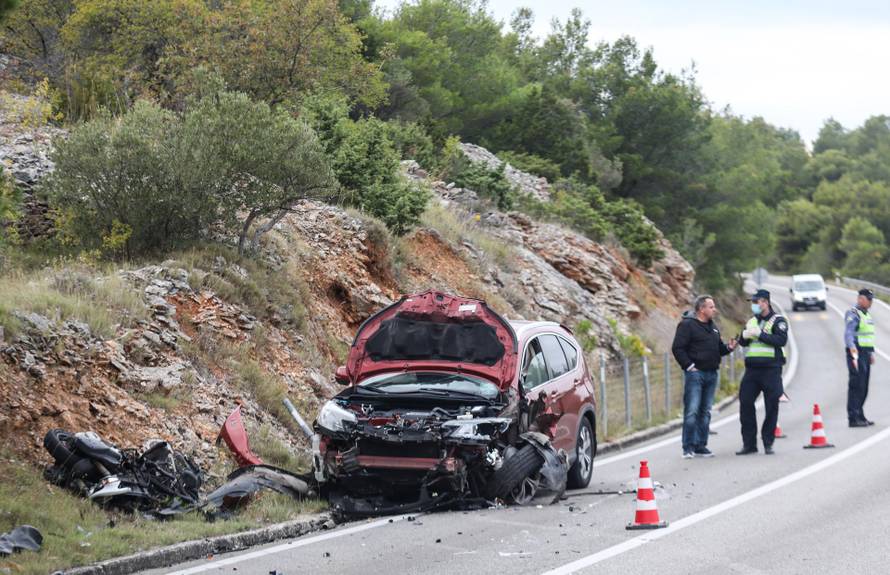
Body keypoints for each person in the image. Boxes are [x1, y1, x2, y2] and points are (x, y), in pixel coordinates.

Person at [672, 295, 737, 459]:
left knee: (705, 411)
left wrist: (728, 348)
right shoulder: (687, 325)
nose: (714, 309)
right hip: (696, 374)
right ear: (701, 309)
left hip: (711, 374)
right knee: (692, 411)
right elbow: (678, 348)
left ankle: (701, 445)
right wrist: (689, 366)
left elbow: (718, 349)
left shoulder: (713, 327)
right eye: (711, 307)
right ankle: (688, 447)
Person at [736, 289, 788, 455]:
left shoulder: (778, 320)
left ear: (765, 302)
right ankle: (749, 444)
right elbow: (743, 343)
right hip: (752, 370)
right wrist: (743, 336)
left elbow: (781, 340)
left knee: (771, 406)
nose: (754, 306)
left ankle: (768, 442)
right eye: (753, 302)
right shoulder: (751, 321)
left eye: (756, 302)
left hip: (771, 369)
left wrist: (761, 334)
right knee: (745, 403)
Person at [845, 288, 876, 427]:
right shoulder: (854, 313)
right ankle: (853, 418)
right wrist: (852, 348)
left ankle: (860, 415)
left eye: (871, 300)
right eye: (869, 299)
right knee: (856, 385)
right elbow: (849, 333)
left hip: (865, 353)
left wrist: (871, 353)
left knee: (864, 386)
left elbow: (868, 335)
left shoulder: (867, 315)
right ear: (860, 299)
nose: (871, 302)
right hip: (856, 353)